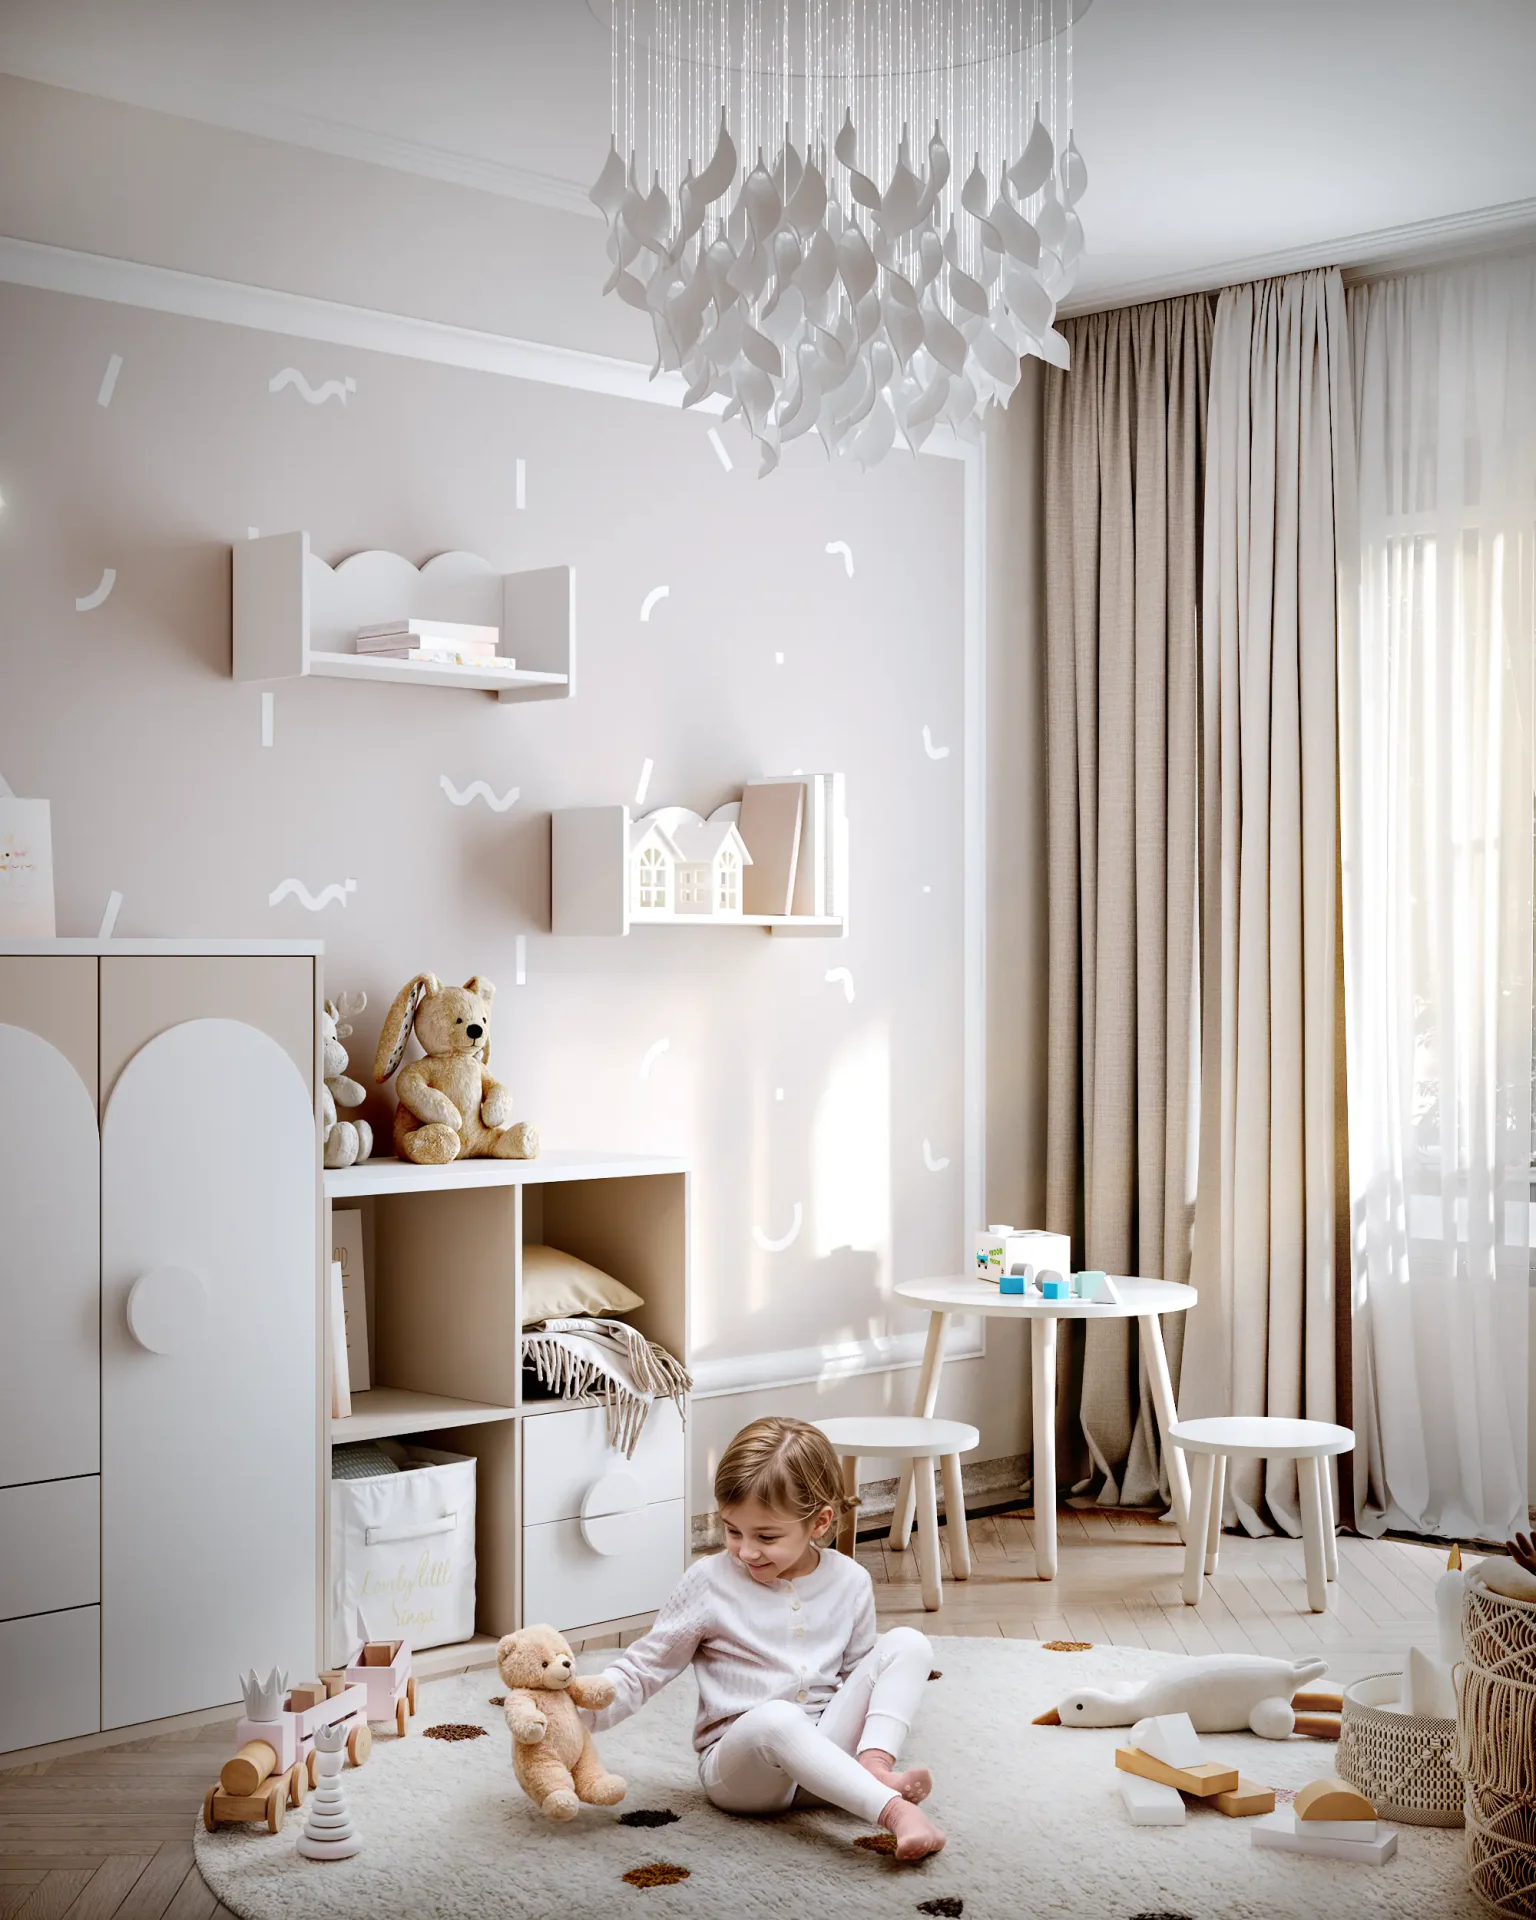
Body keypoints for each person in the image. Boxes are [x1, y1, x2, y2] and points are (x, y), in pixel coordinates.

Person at [584, 1415, 944, 1858]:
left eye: (767, 1536)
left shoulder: (850, 1580)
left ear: (819, 1523)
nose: (747, 1550)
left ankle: (873, 1768)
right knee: (778, 1717)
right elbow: (643, 1669)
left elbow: (860, 1678)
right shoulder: (710, 1581)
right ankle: (893, 1812)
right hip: (743, 1774)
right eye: (733, 1531)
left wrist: (865, 1737)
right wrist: (575, 1716)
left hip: (828, 1758)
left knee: (910, 1643)